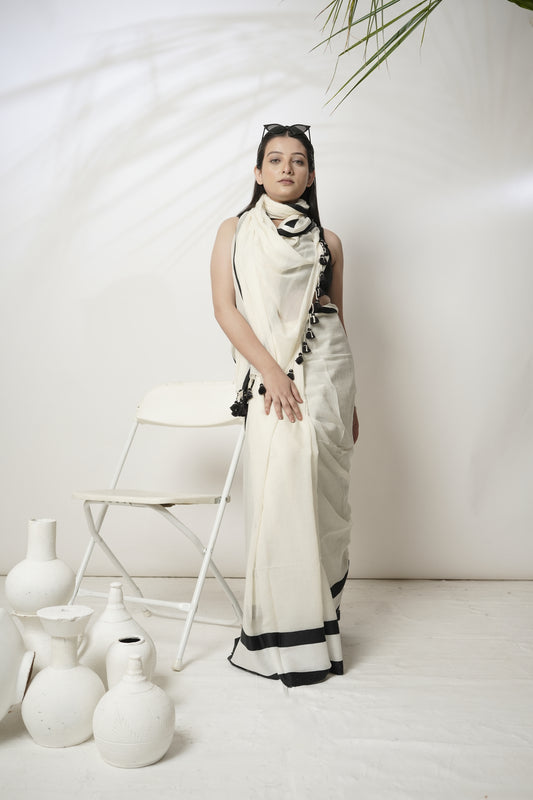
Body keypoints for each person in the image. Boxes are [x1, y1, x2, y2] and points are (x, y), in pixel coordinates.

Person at [210, 123, 358, 687]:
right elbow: (225, 309)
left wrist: (352, 401)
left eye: (298, 161)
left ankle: (322, 628)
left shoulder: (330, 242)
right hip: (275, 382)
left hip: (329, 381)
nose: (287, 169)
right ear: (258, 172)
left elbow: (336, 317)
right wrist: (270, 372)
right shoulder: (235, 231)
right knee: (279, 497)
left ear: (311, 175)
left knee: (321, 502)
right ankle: (282, 636)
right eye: (275, 160)